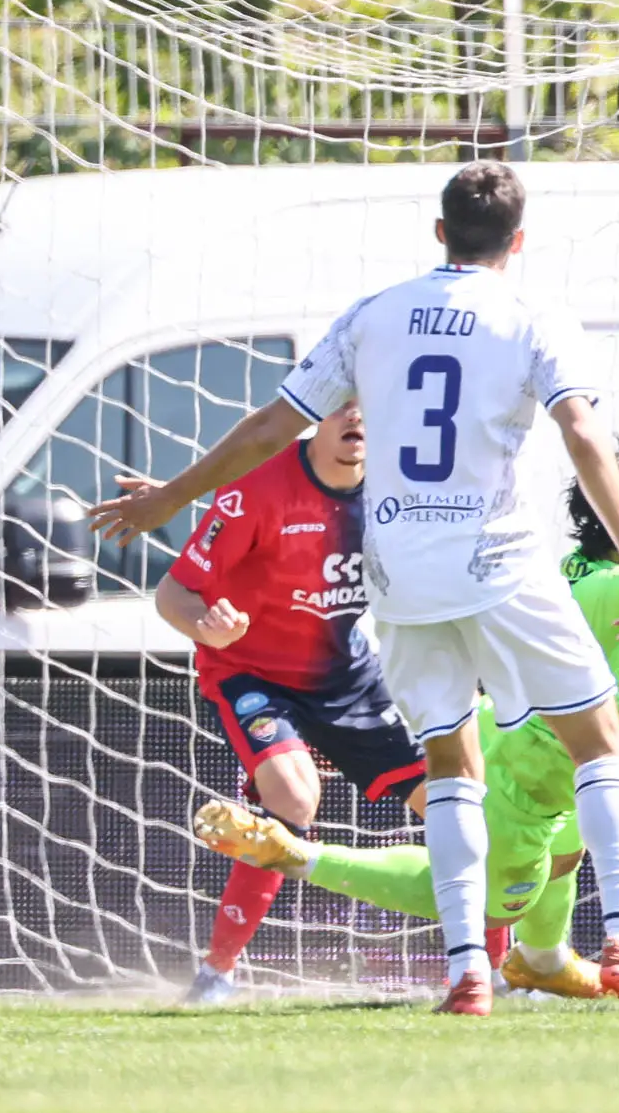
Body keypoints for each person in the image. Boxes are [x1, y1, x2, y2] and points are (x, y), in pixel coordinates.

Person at [91, 161, 619, 1017]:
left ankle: (466, 974)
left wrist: (166, 497)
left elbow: (275, 421)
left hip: (401, 580)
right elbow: (579, 428)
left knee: (451, 765)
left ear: (439, 232)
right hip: (497, 559)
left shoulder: (373, 315)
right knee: (599, 740)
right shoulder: (530, 317)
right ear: (517, 242)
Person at [190, 350, 619, 999]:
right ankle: (298, 856)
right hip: (524, 777)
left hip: (562, 769)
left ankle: (539, 961)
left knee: (568, 854)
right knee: (475, 891)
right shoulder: (610, 586)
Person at [152, 401, 426, 1005]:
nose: (358, 414)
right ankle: (216, 973)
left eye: (369, 400)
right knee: (293, 795)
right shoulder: (256, 492)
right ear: (315, 416)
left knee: (456, 799)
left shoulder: (405, 490)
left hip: (347, 676)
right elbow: (173, 592)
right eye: (341, 404)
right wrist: (207, 625)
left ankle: (498, 969)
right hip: (250, 670)